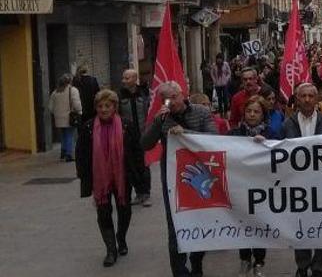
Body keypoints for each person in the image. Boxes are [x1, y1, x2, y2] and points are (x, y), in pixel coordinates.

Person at [141, 81, 217, 277]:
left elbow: (213, 139)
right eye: (165, 99)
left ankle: (197, 261)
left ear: (182, 94)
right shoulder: (163, 118)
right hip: (172, 180)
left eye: (173, 97)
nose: (171, 102)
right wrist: (157, 123)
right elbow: (145, 144)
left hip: (199, 178)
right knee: (174, 226)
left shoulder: (200, 112)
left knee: (199, 222)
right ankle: (180, 271)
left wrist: (186, 134)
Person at [75, 90, 144, 267]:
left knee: (124, 210)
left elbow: (137, 151)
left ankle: (121, 238)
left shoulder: (127, 126)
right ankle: (111, 249)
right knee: (103, 213)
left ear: (115, 107)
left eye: (107, 106)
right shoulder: (88, 127)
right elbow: (81, 154)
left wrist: (140, 175)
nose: (103, 109)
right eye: (100, 106)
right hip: (100, 180)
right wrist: (84, 176)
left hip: (123, 177)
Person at [284, 83, 322, 277]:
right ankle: (302, 265)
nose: (306, 100)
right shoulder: (287, 124)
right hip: (298, 186)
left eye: (310, 96)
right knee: (300, 226)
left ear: (316, 99)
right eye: (303, 96)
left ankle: (319, 267)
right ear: (297, 99)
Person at [229, 95, 274, 277]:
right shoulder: (233, 134)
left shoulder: (272, 134)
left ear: (263, 115)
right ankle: (245, 259)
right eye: (249, 111)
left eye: (257, 111)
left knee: (259, 224)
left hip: (262, 188)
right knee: (242, 224)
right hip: (239, 187)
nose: (252, 115)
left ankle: (259, 262)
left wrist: (266, 144)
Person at [118, 69, 152, 206]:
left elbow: (151, 109)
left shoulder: (144, 93)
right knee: (131, 166)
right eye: (123, 78)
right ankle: (137, 193)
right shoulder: (119, 95)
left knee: (144, 165)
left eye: (127, 78)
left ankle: (146, 193)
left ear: (134, 79)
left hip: (143, 136)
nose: (124, 81)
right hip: (127, 137)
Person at [48, 73, 82, 162]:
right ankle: (69, 154)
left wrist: (57, 113)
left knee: (63, 135)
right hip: (69, 117)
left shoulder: (55, 92)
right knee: (69, 135)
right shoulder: (73, 90)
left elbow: (50, 107)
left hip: (58, 118)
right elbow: (76, 103)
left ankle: (63, 152)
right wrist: (79, 111)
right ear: (70, 81)